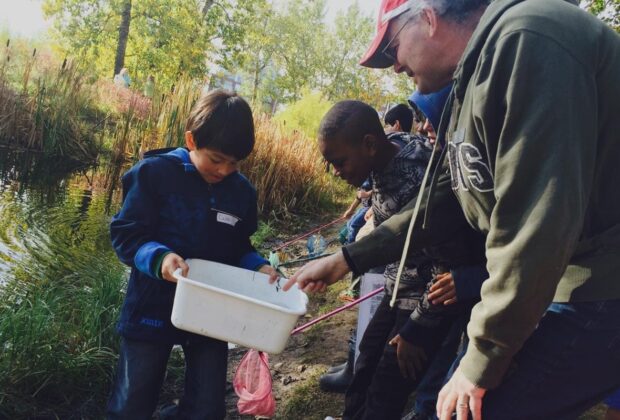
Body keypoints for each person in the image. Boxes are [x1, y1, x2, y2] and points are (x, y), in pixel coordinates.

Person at [286, 0, 620, 419]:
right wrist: (346, 260)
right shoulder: (471, 78)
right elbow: (441, 199)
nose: (395, 67)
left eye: (393, 48)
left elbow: (537, 219)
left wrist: (482, 358)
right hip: (560, 281)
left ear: (427, 18)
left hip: (600, 285)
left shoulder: (526, 39)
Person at [107, 89, 277, 419]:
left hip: (211, 311)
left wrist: (257, 267)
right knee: (132, 402)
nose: (225, 170)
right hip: (150, 303)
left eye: (234, 163)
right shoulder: (154, 174)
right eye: (216, 159)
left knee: (207, 406)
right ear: (191, 140)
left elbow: (239, 246)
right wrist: (160, 259)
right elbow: (126, 235)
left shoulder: (242, 192)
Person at [315, 100, 485, 420]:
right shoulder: (389, 151)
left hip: (427, 302)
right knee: (365, 362)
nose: (335, 172)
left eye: (339, 162)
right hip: (398, 287)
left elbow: (447, 270)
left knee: (387, 385)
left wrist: (417, 329)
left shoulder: (413, 181)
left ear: (369, 144)